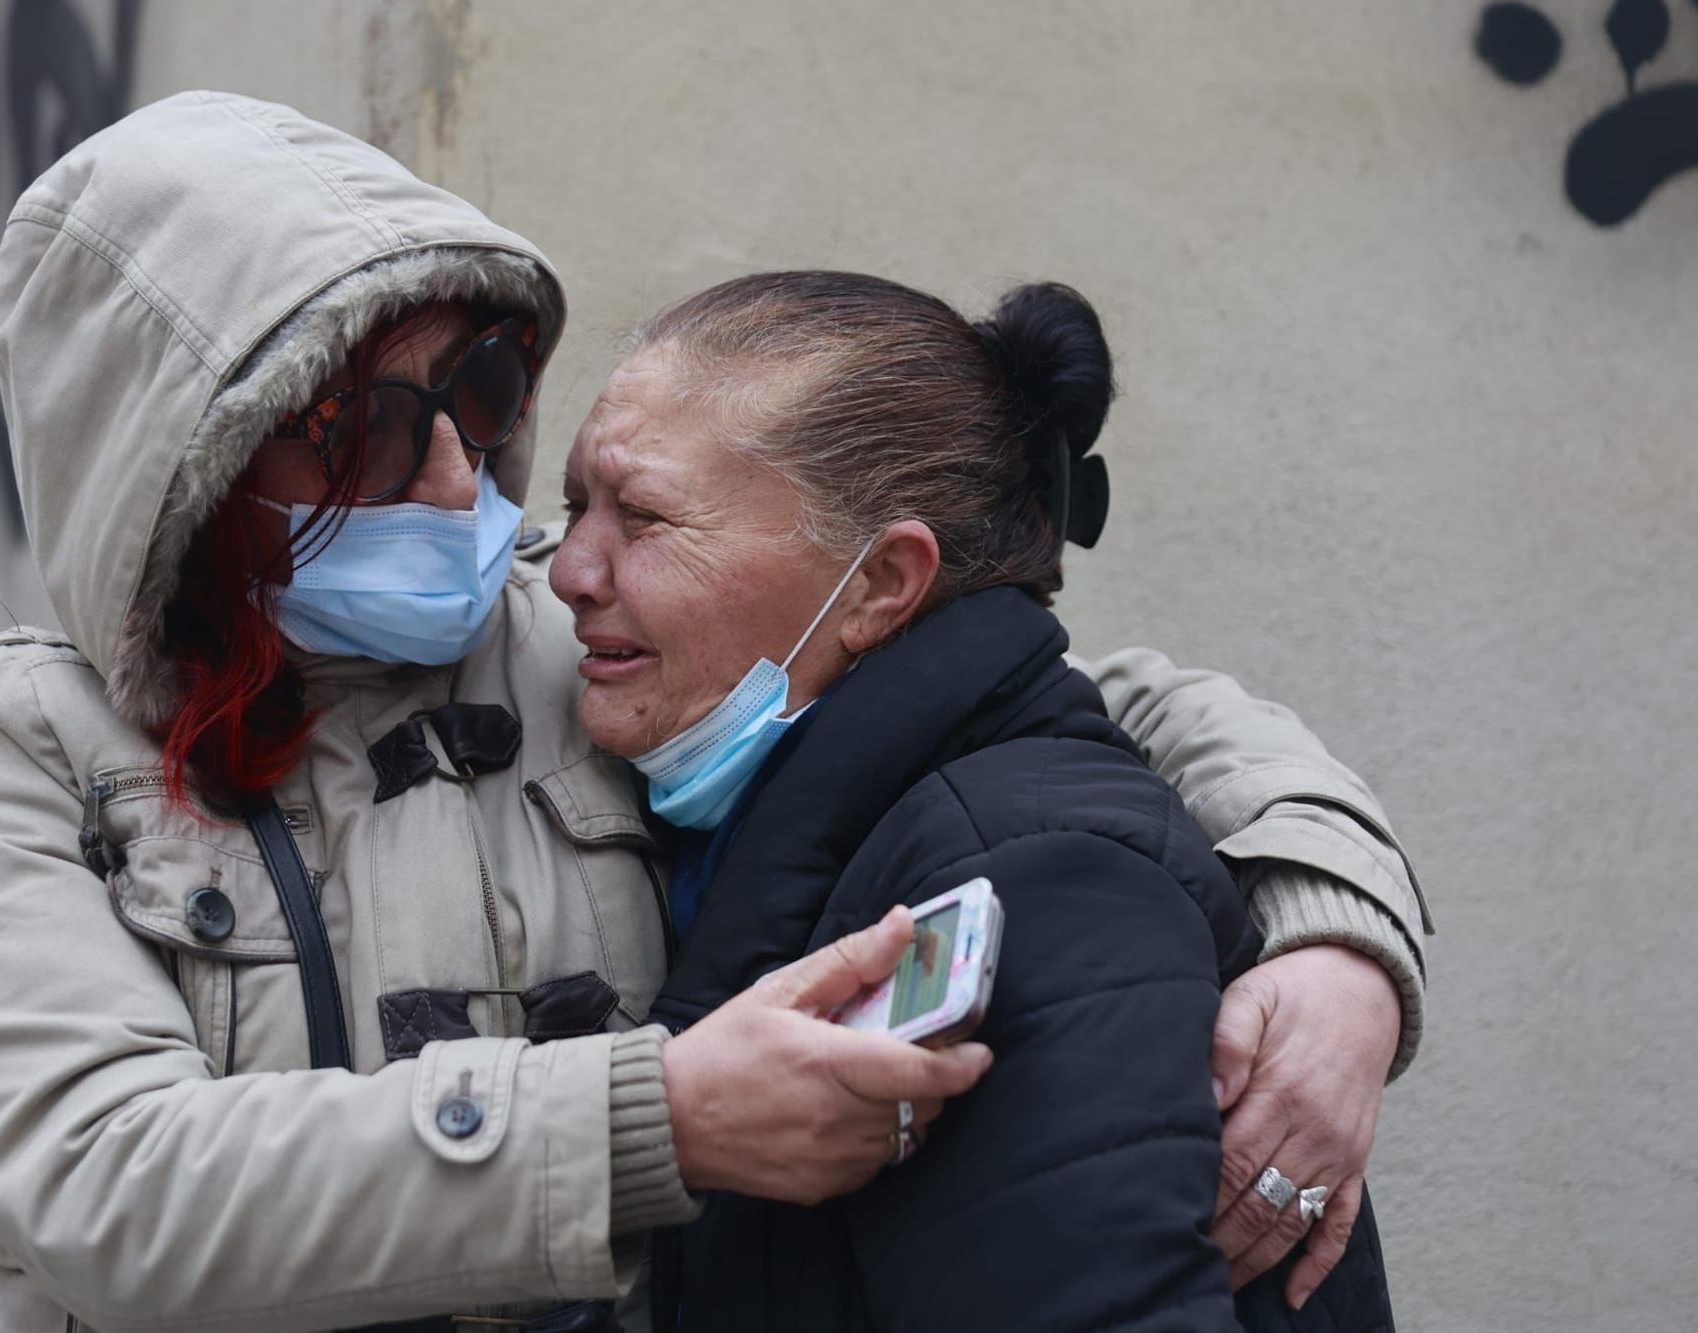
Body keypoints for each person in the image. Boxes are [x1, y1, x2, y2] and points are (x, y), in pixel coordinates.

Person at [0, 93, 1424, 1333]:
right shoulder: (12, 746)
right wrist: (654, 1119)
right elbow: (105, 1189)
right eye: (358, 433)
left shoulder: (572, 622)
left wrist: (1338, 944)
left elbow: (1072, 705)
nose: (452, 482)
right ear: (180, 467)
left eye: (479, 398)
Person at [548, 271, 1407, 1329]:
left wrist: (1345, 946)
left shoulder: (1035, 876)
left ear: (878, 585)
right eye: (569, 506)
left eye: (641, 516)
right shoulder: (804, 818)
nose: (568, 571)